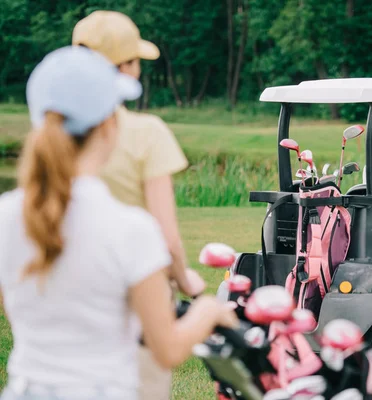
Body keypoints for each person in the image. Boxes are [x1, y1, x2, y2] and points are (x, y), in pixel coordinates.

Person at [0, 46, 237, 400]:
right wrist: (207, 311)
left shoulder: (6, 214)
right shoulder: (131, 230)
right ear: (109, 126)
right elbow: (167, 349)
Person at [71, 11, 205, 398]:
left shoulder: (51, 135)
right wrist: (185, 282)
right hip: (136, 292)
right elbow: (166, 238)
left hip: (74, 289)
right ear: (126, 68)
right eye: (135, 62)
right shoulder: (146, 133)